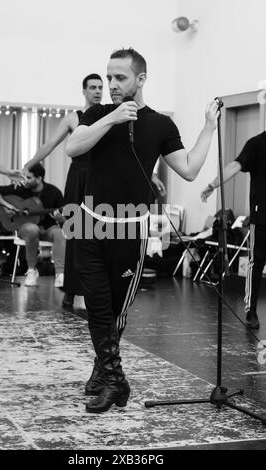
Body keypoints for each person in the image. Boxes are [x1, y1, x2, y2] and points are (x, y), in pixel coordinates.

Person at [66, 48, 219, 413]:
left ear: (141, 79)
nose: (113, 85)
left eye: (120, 78)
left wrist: (209, 127)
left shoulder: (160, 125)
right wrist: (112, 118)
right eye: (109, 78)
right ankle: (115, 378)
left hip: (129, 227)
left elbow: (189, 169)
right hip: (88, 221)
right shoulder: (98, 113)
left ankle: (104, 371)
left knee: (116, 310)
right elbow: (74, 147)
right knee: (97, 307)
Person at [23, 74, 104, 308]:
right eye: (92, 87)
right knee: (75, 234)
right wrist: (27, 166)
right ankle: (71, 290)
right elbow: (49, 145)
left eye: (100, 87)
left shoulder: (109, 116)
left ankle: (92, 290)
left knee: (96, 235)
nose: (97, 91)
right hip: (78, 177)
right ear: (84, 91)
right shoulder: (73, 118)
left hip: (99, 178)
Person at [201, 131, 266, 330]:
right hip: (262, 217)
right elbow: (235, 166)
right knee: (256, 263)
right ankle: (251, 311)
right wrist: (213, 184)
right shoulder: (257, 143)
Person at [0, 163, 65, 287]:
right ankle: (31, 271)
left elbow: (64, 217)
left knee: (59, 232)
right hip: (26, 229)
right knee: (32, 228)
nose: (25, 180)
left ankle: (60, 274)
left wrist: (61, 218)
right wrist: (6, 205)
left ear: (39, 179)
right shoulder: (20, 188)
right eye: (24, 177)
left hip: (48, 228)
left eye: (28, 178)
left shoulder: (53, 192)